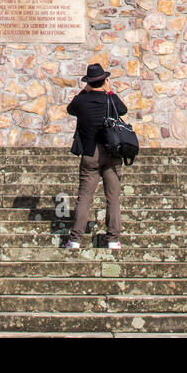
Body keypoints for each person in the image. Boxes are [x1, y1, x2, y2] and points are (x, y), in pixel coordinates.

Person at [64, 63, 127, 252]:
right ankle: (113, 239)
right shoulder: (110, 100)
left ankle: (75, 240)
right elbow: (122, 110)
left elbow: (70, 108)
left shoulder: (81, 102)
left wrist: (86, 89)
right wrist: (109, 91)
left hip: (90, 153)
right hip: (112, 153)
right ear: (104, 80)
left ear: (89, 82)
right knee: (113, 198)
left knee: (84, 197)